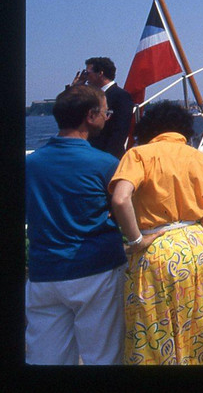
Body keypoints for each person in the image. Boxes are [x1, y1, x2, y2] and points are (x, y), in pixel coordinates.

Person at [109, 101, 203, 365]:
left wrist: (135, 240)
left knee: (155, 329)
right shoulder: (201, 159)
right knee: (202, 325)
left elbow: (121, 199)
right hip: (198, 245)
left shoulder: (139, 156)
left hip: (157, 247)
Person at [25, 85, 127, 365]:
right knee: (103, 358)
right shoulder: (106, 164)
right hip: (95, 270)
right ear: (90, 115)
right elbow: (123, 211)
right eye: (106, 112)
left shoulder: (31, 164)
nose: (108, 117)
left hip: (43, 272)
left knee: (45, 359)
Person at [72, 56, 135, 158]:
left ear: (100, 73)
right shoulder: (89, 96)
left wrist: (106, 159)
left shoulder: (121, 96)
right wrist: (75, 88)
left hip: (106, 157)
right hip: (88, 154)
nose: (86, 77)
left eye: (88, 73)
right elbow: (68, 112)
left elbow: (119, 133)